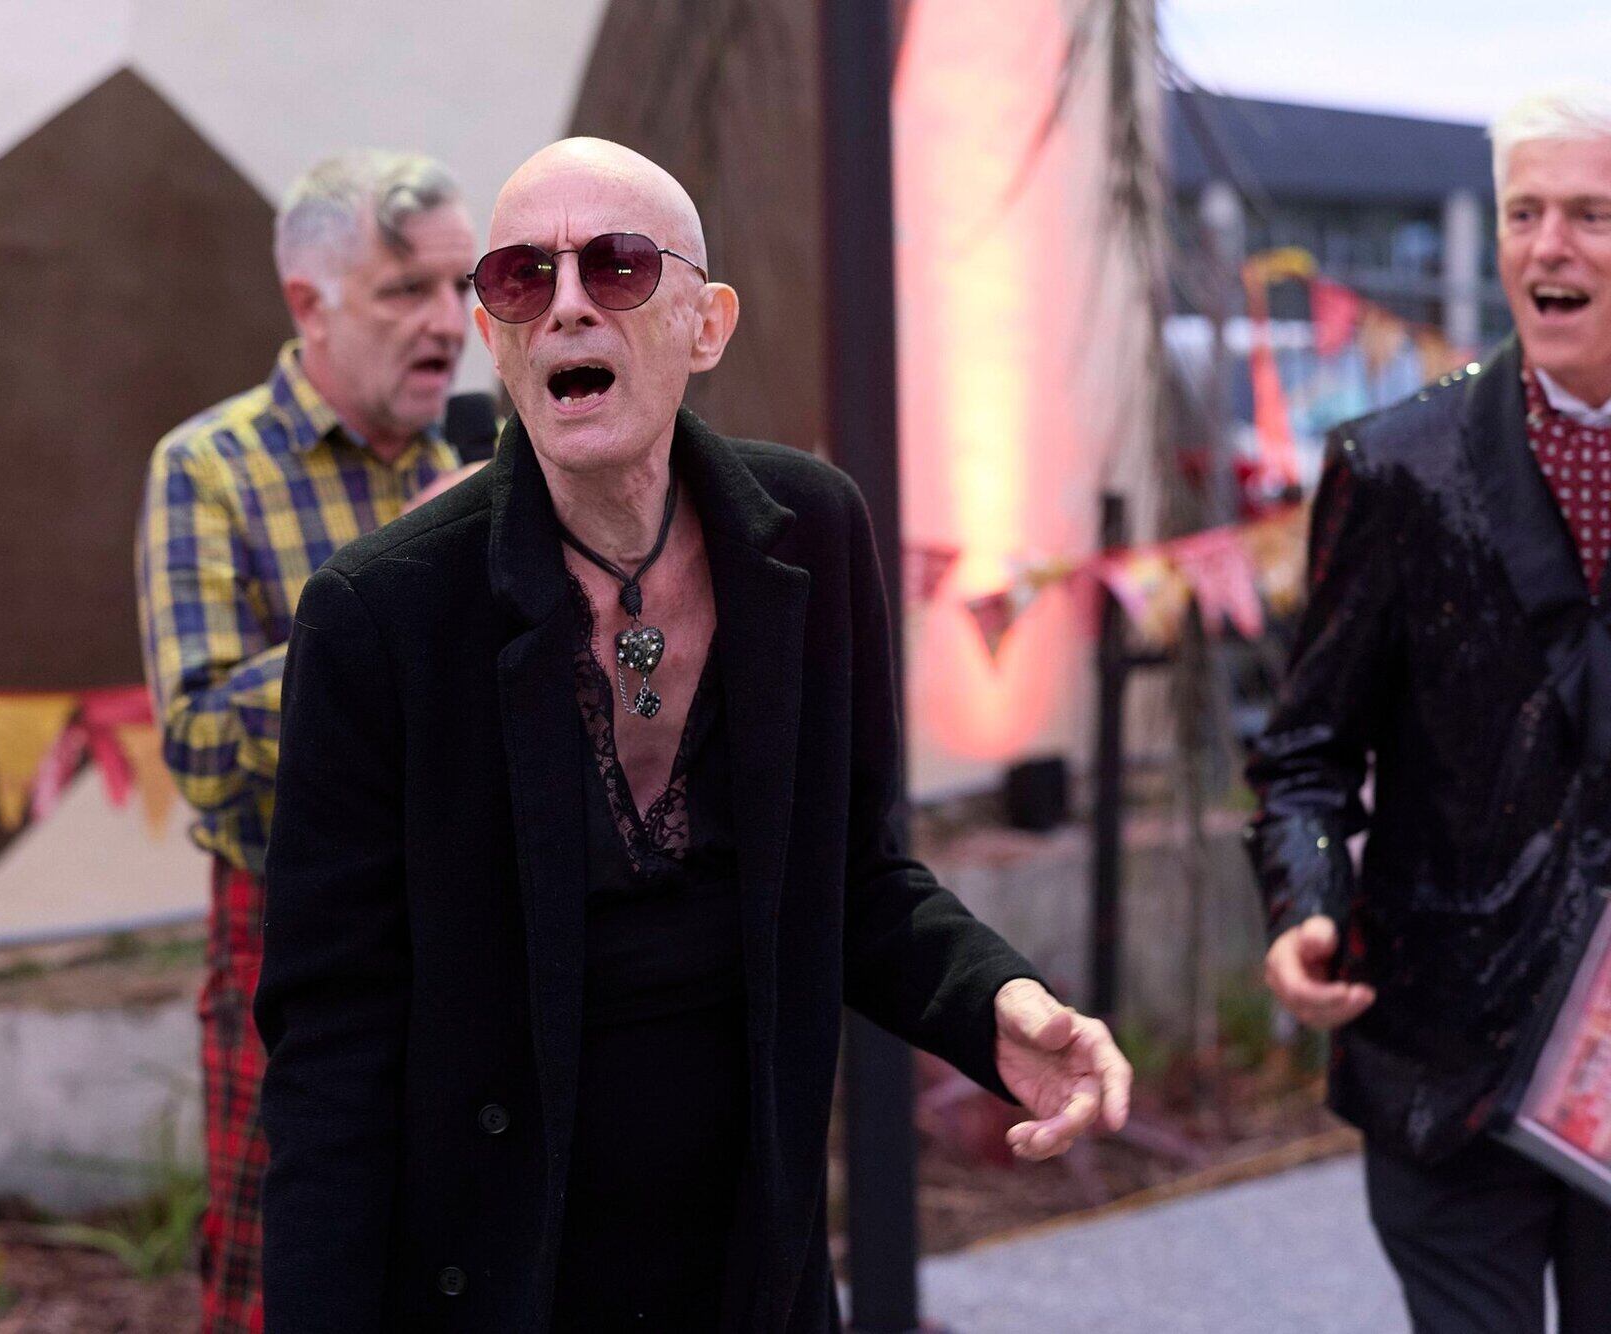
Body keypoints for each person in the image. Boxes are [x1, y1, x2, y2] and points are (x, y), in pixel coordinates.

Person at [254, 136, 1130, 1332]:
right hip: (498, 1273)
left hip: (743, 1267)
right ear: (496, 333)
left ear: (704, 323)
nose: (565, 305)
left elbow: (862, 879)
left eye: (614, 266)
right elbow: (330, 1038)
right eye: (520, 278)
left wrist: (996, 1002)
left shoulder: (807, 537)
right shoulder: (383, 611)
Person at [1249, 86, 1611, 1334]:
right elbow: (1301, 750)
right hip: (1438, 1062)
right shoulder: (1393, 465)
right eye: (1523, 213)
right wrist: (1305, 901)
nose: (1546, 245)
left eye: (1588, 214)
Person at [135, 148, 477, 1334]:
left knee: (458, 1256)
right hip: (290, 932)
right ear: (307, 303)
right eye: (404, 292)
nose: (449, 324)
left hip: (468, 926)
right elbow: (198, 738)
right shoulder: (208, 468)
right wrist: (391, 599)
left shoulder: (478, 471)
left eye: (461, 286)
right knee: (286, 1277)